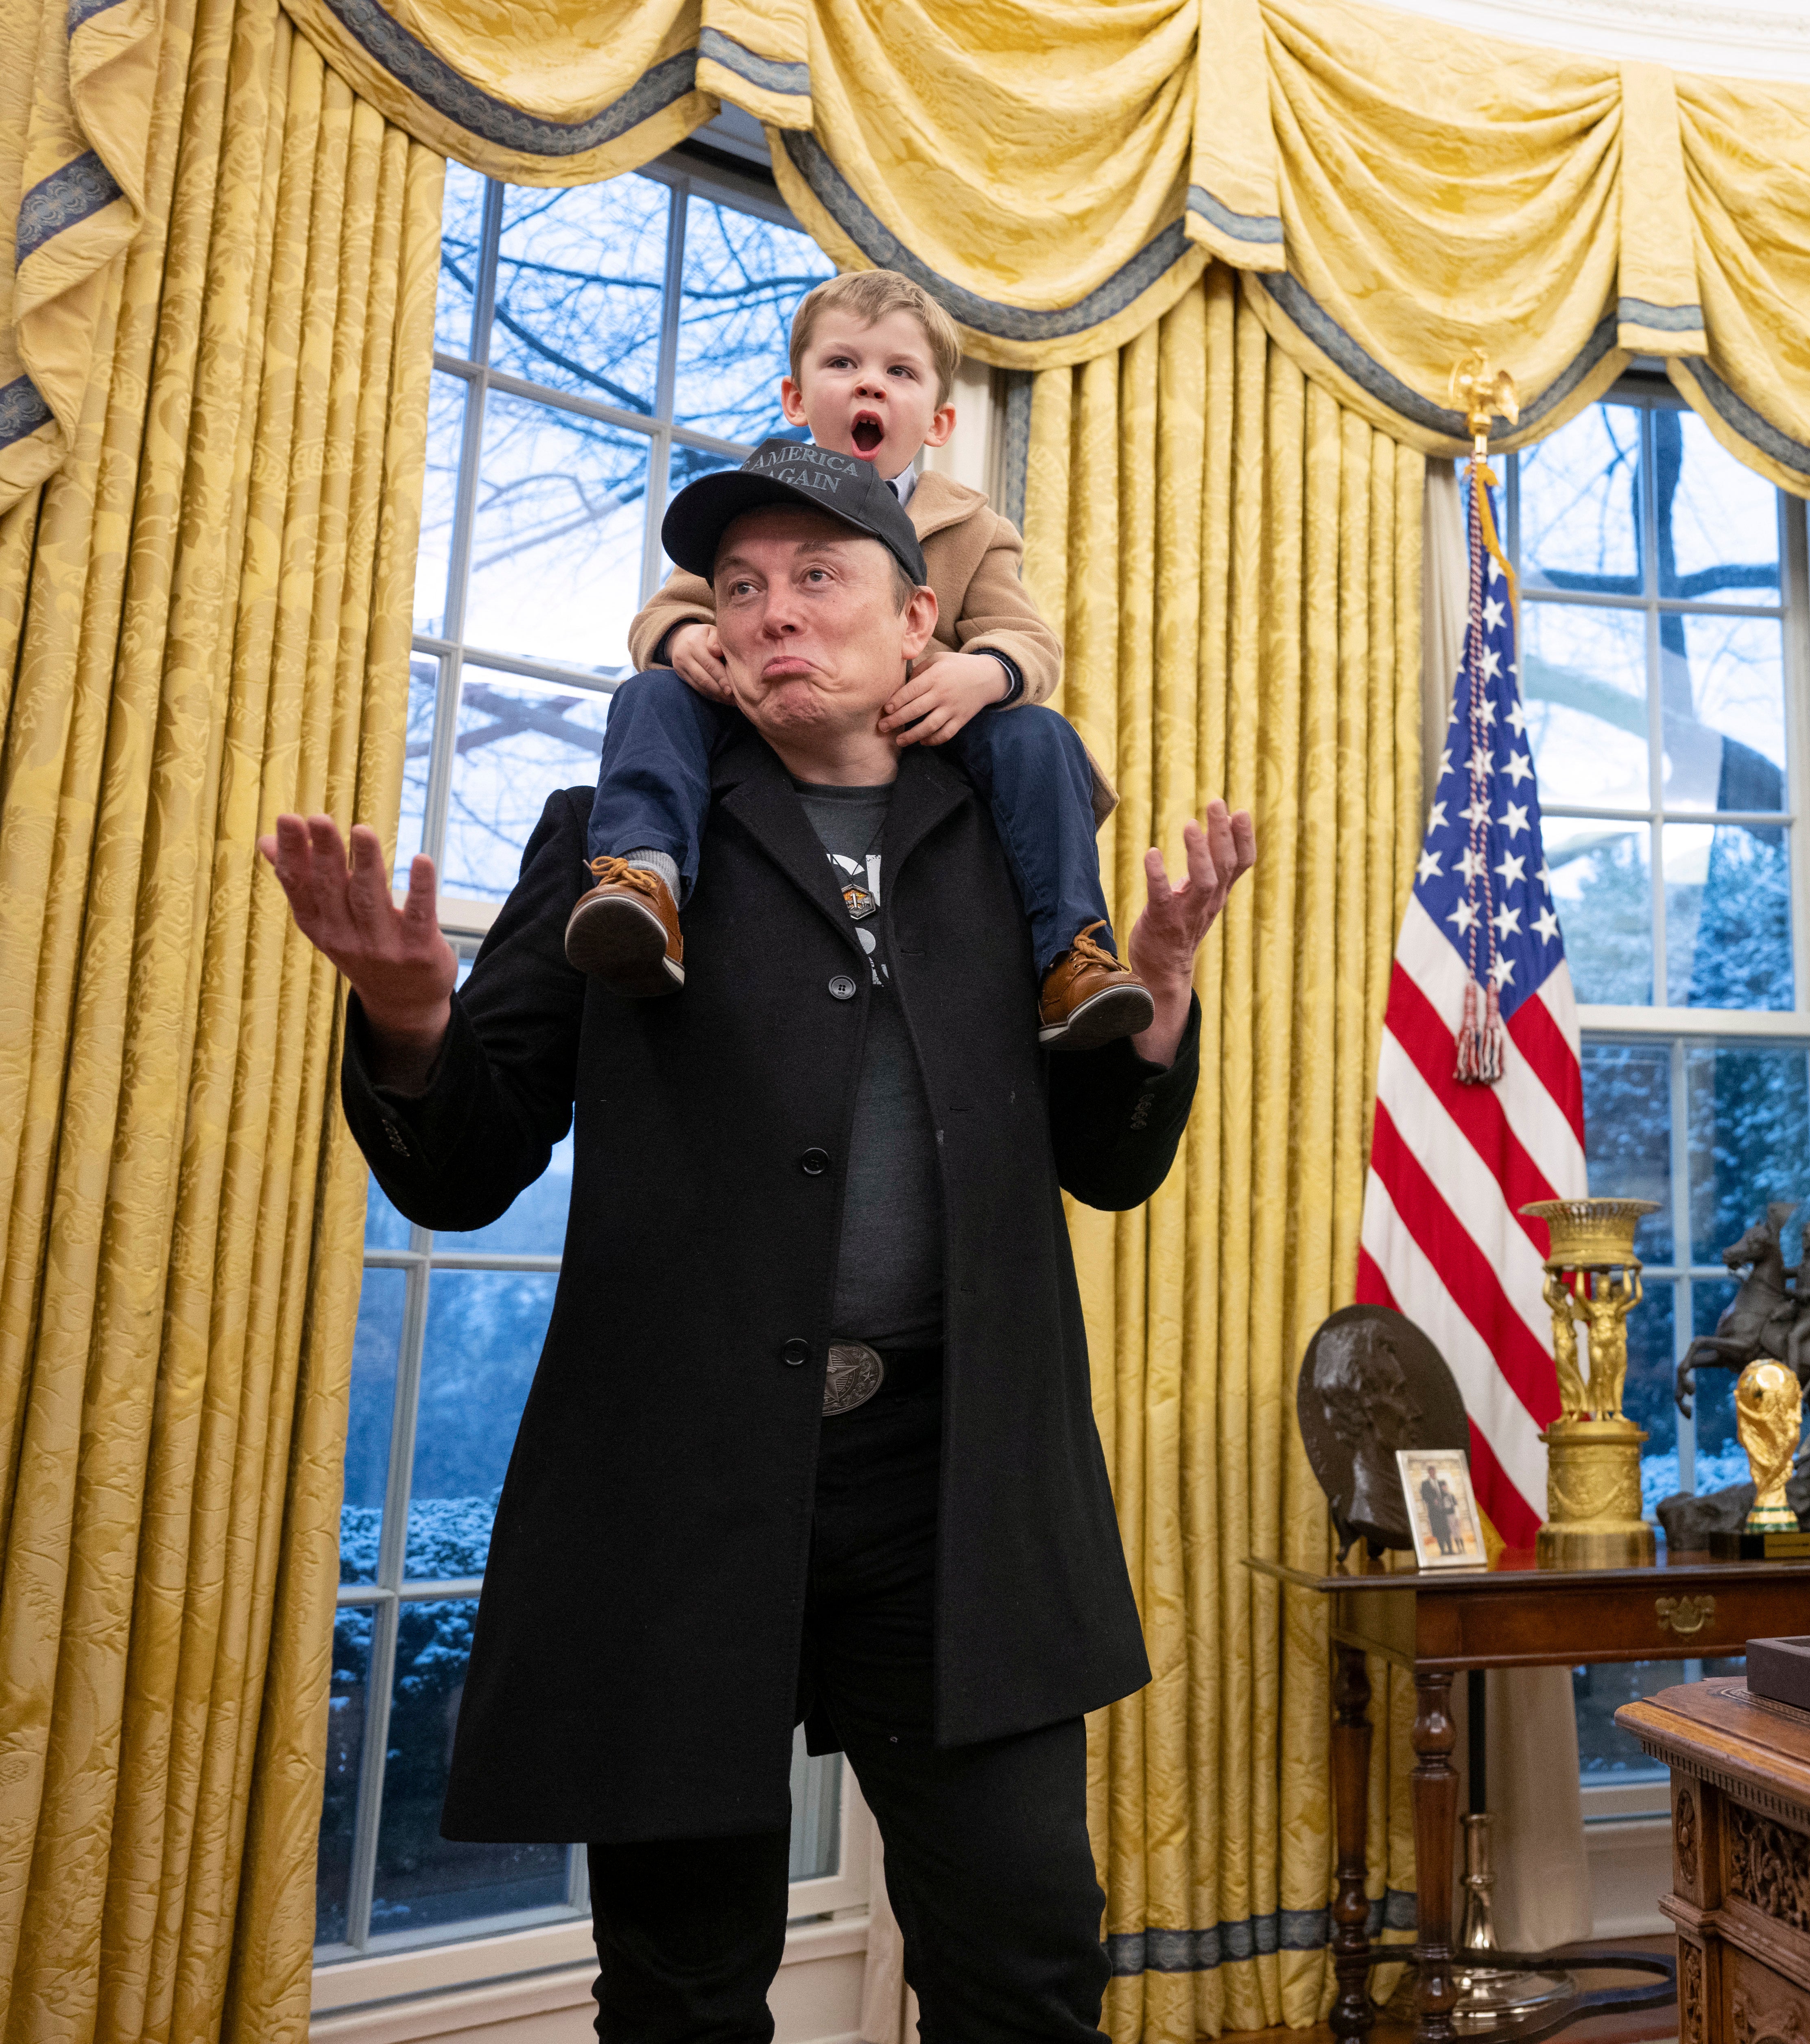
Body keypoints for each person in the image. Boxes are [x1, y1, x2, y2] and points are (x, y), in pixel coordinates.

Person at [260, 439, 1253, 2040]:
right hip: (681, 1481)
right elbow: (465, 1163)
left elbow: (1106, 1169)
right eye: (739, 585)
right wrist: (404, 1009)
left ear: (920, 621)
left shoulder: (1013, 831)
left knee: (1024, 1952)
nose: (771, 612)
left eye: (816, 577)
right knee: (680, 1978)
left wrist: (1163, 994)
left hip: (953, 1490)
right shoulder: (617, 834)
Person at [566, 268, 1152, 1048]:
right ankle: (645, 882)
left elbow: (1031, 642)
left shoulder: (973, 526)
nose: (868, 385)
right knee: (652, 697)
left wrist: (984, 672)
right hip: (775, 714)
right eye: (843, 364)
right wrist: (684, 641)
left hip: (929, 721)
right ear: (797, 400)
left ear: (939, 421)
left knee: (1041, 736)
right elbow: (662, 614)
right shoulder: (754, 510)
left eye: (898, 372)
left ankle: (1074, 955)